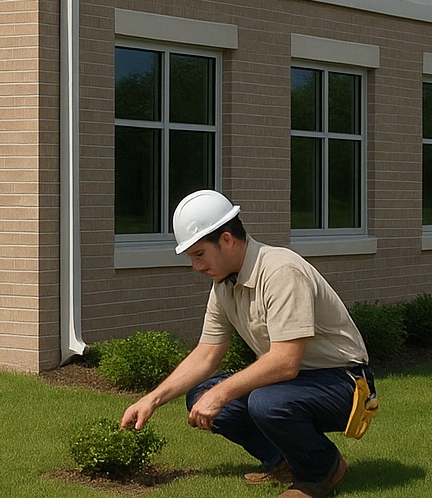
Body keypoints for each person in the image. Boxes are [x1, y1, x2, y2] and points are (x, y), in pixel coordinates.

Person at [119, 190, 371, 498]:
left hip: (344, 382)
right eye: (192, 258)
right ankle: (285, 462)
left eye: (199, 255)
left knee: (263, 401)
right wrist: (153, 399)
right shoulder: (224, 283)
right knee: (202, 394)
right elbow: (206, 355)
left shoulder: (280, 271)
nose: (196, 266)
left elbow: (285, 361)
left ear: (227, 239)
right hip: (296, 383)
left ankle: (321, 472)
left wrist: (221, 392)